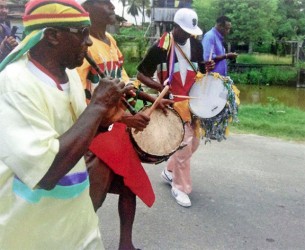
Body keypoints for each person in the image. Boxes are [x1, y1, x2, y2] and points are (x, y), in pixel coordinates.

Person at [0, 0, 132, 249]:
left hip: (77, 222)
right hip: (32, 230)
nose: (89, 42)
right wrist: (98, 106)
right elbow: (47, 172)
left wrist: (108, 117)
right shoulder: (13, 84)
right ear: (52, 36)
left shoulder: (69, 74)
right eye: (82, 33)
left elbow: (79, 132)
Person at [77, 0, 172, 249]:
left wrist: (152, 98)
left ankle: (125, 245)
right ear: (89, 9)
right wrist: (124, 118)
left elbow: (125, 81)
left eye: (112, 4)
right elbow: (81, 100)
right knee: (91, 201)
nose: (112, 8)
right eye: (105, 4)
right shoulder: (84, 47)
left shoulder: (110, 41)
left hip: (117, 129)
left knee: (129, 187)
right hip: (96, 134)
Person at [137, 8, 214, 207]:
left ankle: (169, 171)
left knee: (193, 144)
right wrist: (160, 87)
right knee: (184, 146)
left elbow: (199, 69)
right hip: (172, 103)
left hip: (192, 103)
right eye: (185, 30)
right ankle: (180, 187)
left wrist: (208, 68)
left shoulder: (196, 45)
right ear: (175, 27)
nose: (188, 34)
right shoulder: (161, 47)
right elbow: (141, 75)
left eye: (191, 31)